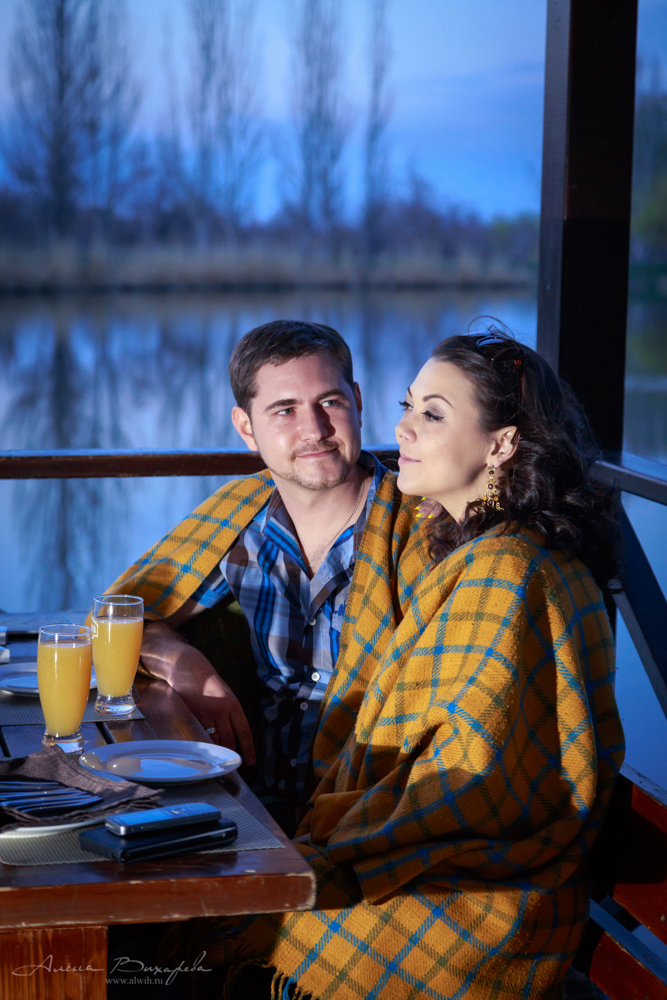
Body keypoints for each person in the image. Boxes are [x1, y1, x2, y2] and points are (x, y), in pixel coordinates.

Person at [191, 330, 624, 1000]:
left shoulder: (506, 571)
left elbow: (471, 777)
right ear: (245, 427)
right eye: (408, 405)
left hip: (482, 888)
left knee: (216, 928)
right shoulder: (479, 556)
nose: (402, 428)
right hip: (417, 838)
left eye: (432, 413)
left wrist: (332, 837)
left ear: (501, 444)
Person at [101, 319, 430, 834]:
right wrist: (181, 660)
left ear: (359, 402)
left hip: (377, 806)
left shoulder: (421, 530)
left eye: (331, 402)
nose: (315, 429)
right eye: (285, 410)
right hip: (253, 805)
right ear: (246, 427)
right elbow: (119, 616)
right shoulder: (241, 523)